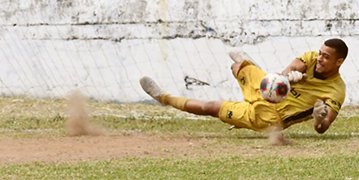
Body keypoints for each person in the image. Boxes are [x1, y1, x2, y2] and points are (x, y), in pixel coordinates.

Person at [140, 38, 347, 137]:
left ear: (339, 62)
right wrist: (290, 78)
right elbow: (285, 72)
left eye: (326, 57)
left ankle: (163, 97)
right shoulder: (311, 58)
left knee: (210, 107)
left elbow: (322, 128)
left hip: (268, 117)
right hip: (270, 89)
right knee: (236, 66)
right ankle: (251, 67)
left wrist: (319, 118)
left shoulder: (336, 91)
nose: (319, 59)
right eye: (320, 53)